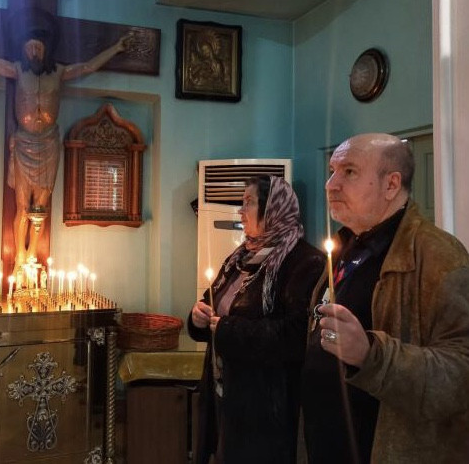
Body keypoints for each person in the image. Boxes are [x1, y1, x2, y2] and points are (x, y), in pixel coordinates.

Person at [0, 15, 131, 275]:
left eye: (37, 47)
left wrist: (117, 48)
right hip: (24, 143)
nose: (33, 52)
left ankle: (32, 255)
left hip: (48, 143)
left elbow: (88, 66)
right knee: (22, 206)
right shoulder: (17, 70)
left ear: (46, 49)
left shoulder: (60, 72)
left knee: (41, 206)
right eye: (29, 48)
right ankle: (19, 257)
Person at [301, 133, 469, 463]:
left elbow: (461, 374)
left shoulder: (438, 255)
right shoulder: (345, 247)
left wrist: (370, 354)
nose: (331, 185)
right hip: (328, 443)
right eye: (332, 171)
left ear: (391, 185)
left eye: (349, 172)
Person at [188, 175, 325, 464]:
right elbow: (213, 302)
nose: (241, 210)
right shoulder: (239, 258)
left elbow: (296, 334)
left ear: (273, 208)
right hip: (225, 394)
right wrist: (198, 317)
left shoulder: (304, 262)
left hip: (266, 405)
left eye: (249, 202)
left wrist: (227, 329)